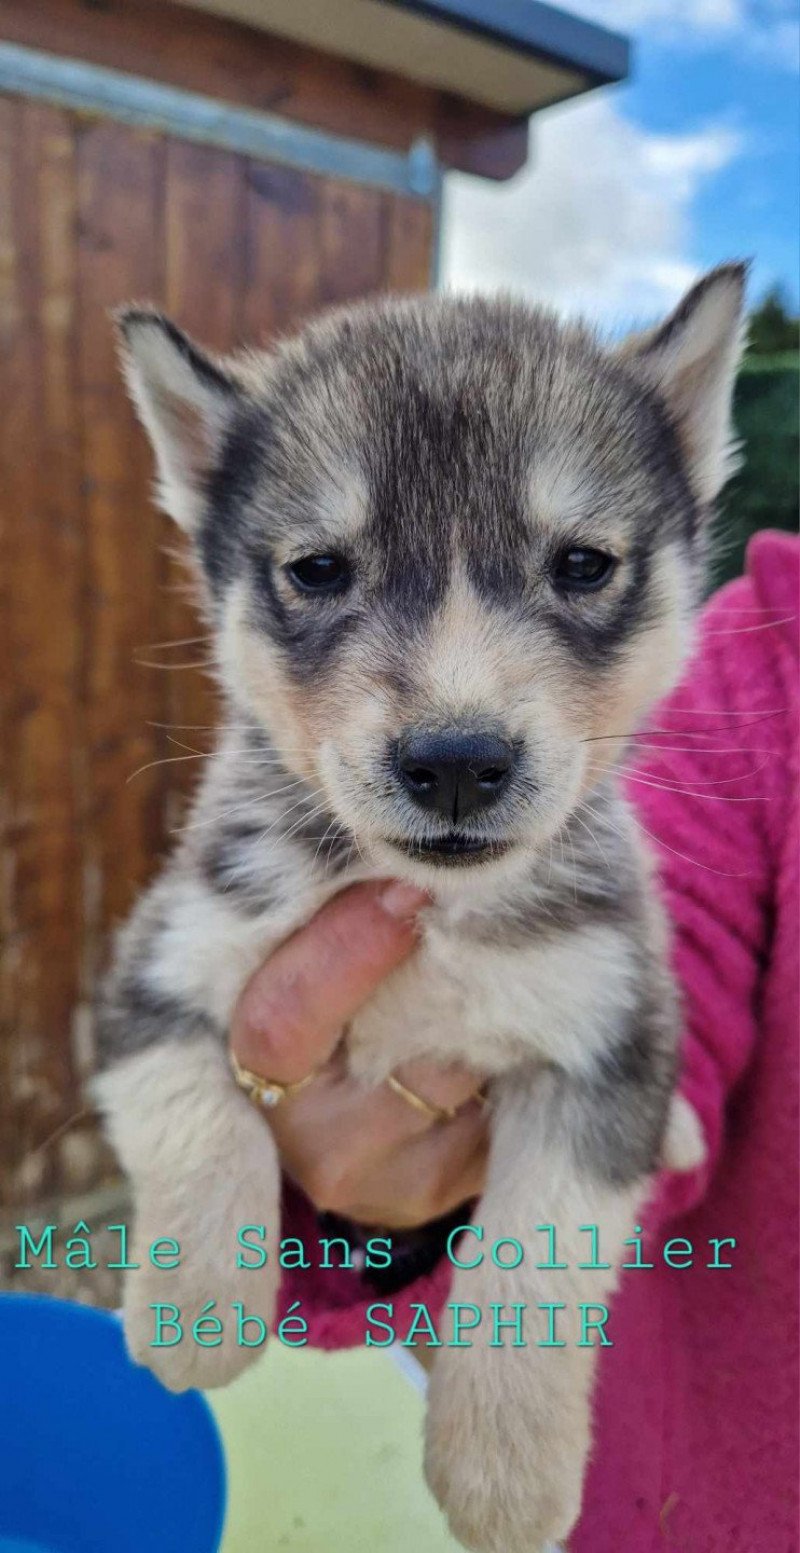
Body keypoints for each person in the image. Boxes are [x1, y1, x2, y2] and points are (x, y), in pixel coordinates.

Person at [229, 531, 798, 1552]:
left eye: (576, 570)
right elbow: (672, 969)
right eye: (323, 572)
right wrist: (406, 1204)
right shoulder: (755, 667)